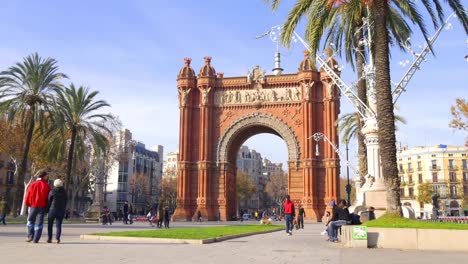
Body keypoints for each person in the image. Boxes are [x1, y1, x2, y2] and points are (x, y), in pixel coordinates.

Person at [25, 169, 51, 243]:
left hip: (33, 205)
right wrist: (47, 207)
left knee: (30, 221)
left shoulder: (33, 184)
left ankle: (30, 236)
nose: (47, 178)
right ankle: (36, 239)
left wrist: (27, 203)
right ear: (44, 176)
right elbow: (48, 198)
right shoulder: (47, 186)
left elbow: (28, 195)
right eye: (46, 176)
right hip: (42, 207)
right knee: (39, 223)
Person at [46, 179, 67, 244]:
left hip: (52, 209)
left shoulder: (52, 191)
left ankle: (49, 238)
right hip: (61, 210)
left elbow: (49, 201)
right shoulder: (64, 192)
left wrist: (47, 209)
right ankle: (57, 239)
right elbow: (66, 201)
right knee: (58, 225)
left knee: (50, 225)